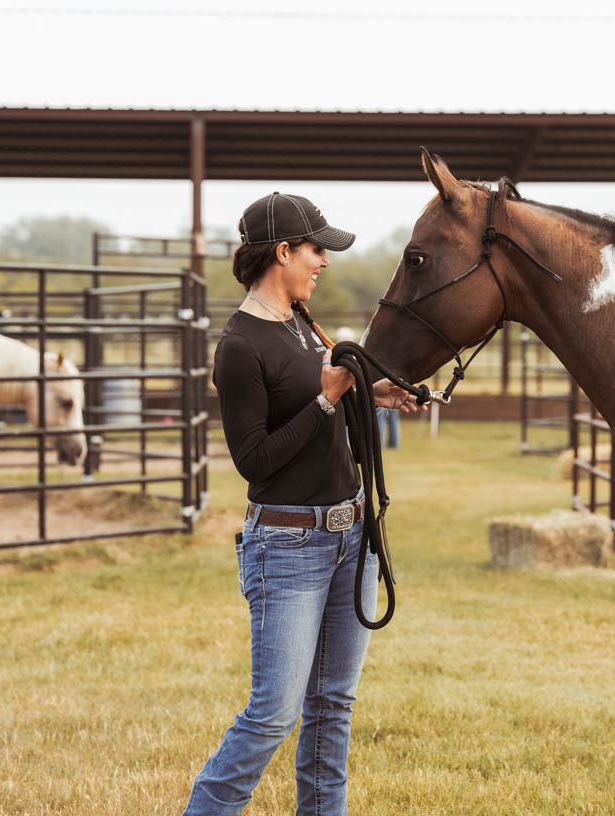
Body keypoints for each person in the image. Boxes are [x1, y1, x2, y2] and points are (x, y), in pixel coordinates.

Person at [182, 192, 420, 816]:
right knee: (274, 713)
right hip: (288, 545)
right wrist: (325, 401)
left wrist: (375, 392)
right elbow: (253, 462)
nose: (325, 262)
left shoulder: (302, 321)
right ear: (282, 252)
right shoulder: (239, 346)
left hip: (350, 536)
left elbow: (329, 400)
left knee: (333, 705)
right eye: (316, 250)